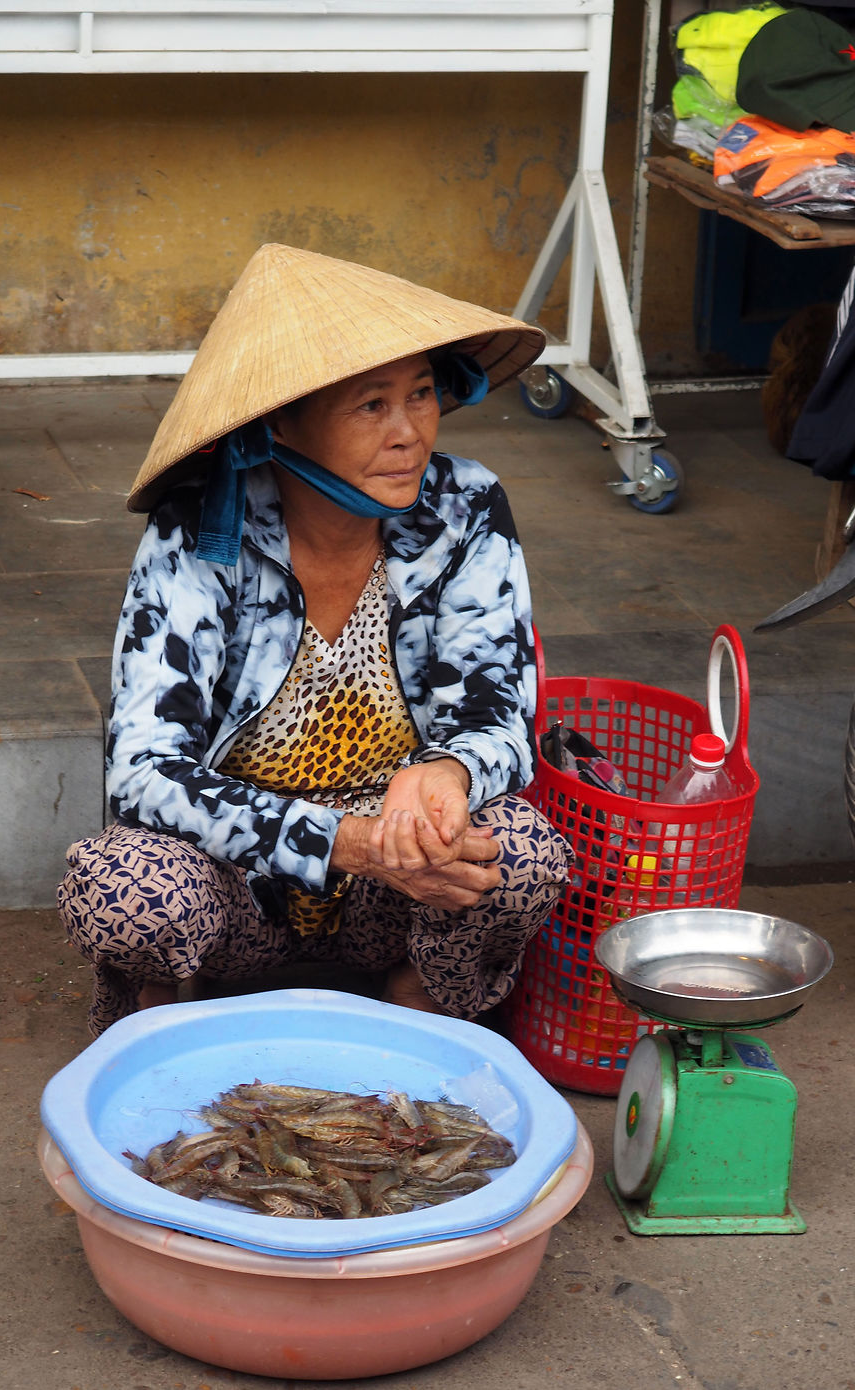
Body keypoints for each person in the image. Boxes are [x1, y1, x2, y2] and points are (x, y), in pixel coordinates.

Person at [58, 242, 572, 1037]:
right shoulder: (200, 531)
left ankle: (420, 993)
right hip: (241, 886)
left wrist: (449, 770)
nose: (409, 433)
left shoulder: (464, 508)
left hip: (398, 889)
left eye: (423, 394)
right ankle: (162, 1020)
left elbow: (502, 718)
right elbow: (143, 776)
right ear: (282, 427)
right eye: (372, 406)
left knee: (522, 851)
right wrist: (352, 841)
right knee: (121, 881)